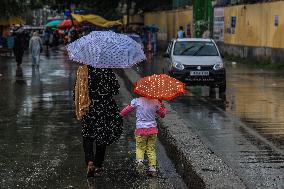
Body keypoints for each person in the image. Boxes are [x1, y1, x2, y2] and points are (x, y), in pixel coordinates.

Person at [74, 65, 123, 178]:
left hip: (88, 107)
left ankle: (90, 161)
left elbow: (76, 90)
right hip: (104, 108)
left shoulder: (83, 71)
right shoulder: (106, 70)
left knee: (87, 135)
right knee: (102, 135)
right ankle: (98, 165)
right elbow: (115, 88)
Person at [119, 96, 166, 177]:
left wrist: (120, 115)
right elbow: (162, 115)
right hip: (152, 130)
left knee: (140, 148)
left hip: (141, 129)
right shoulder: (156, 102)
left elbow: (127, 110)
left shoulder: (137, 101)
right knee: (151, 149)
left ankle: (140, 161)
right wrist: (162, 105)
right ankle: (152, 169)